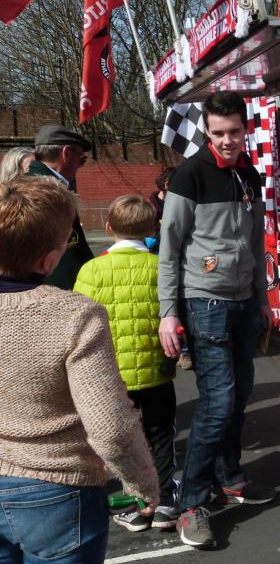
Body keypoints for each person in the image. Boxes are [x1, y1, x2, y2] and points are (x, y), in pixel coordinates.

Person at [0, 177, 159, 564]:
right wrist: (143, 483)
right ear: (48, 259)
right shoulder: (74, 315)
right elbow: (110, 428)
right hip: (57, 490)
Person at [158, 91, 275, 549]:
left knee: (239, 394)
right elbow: (169, 250)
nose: (227, 141)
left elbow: (258, 240)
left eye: (234, 132)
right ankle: (190, 503)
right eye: (218, 133)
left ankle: (231, 479)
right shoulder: (190, 176)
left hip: (244, 300)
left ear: (246, 130)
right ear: (207, 131)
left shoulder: (249, 174)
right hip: (205, 301)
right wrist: (170, 313)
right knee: (218, 402)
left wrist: (263, 298)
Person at [74, 195, 179, 534]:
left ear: (108, 227)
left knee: (119, 440)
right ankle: (164, 502)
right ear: (152, 229)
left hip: (111, 374)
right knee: (161, 435)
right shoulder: (160, 266)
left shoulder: (91, 270)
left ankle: (134, 504)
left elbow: (78, 322)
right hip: (157, 369)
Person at [25, 125, 94, 289]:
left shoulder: (27, 183)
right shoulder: (49, 192)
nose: (80, 165)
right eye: (81, 159)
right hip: (55, 290)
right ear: (67, 152)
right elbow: (65, 253)